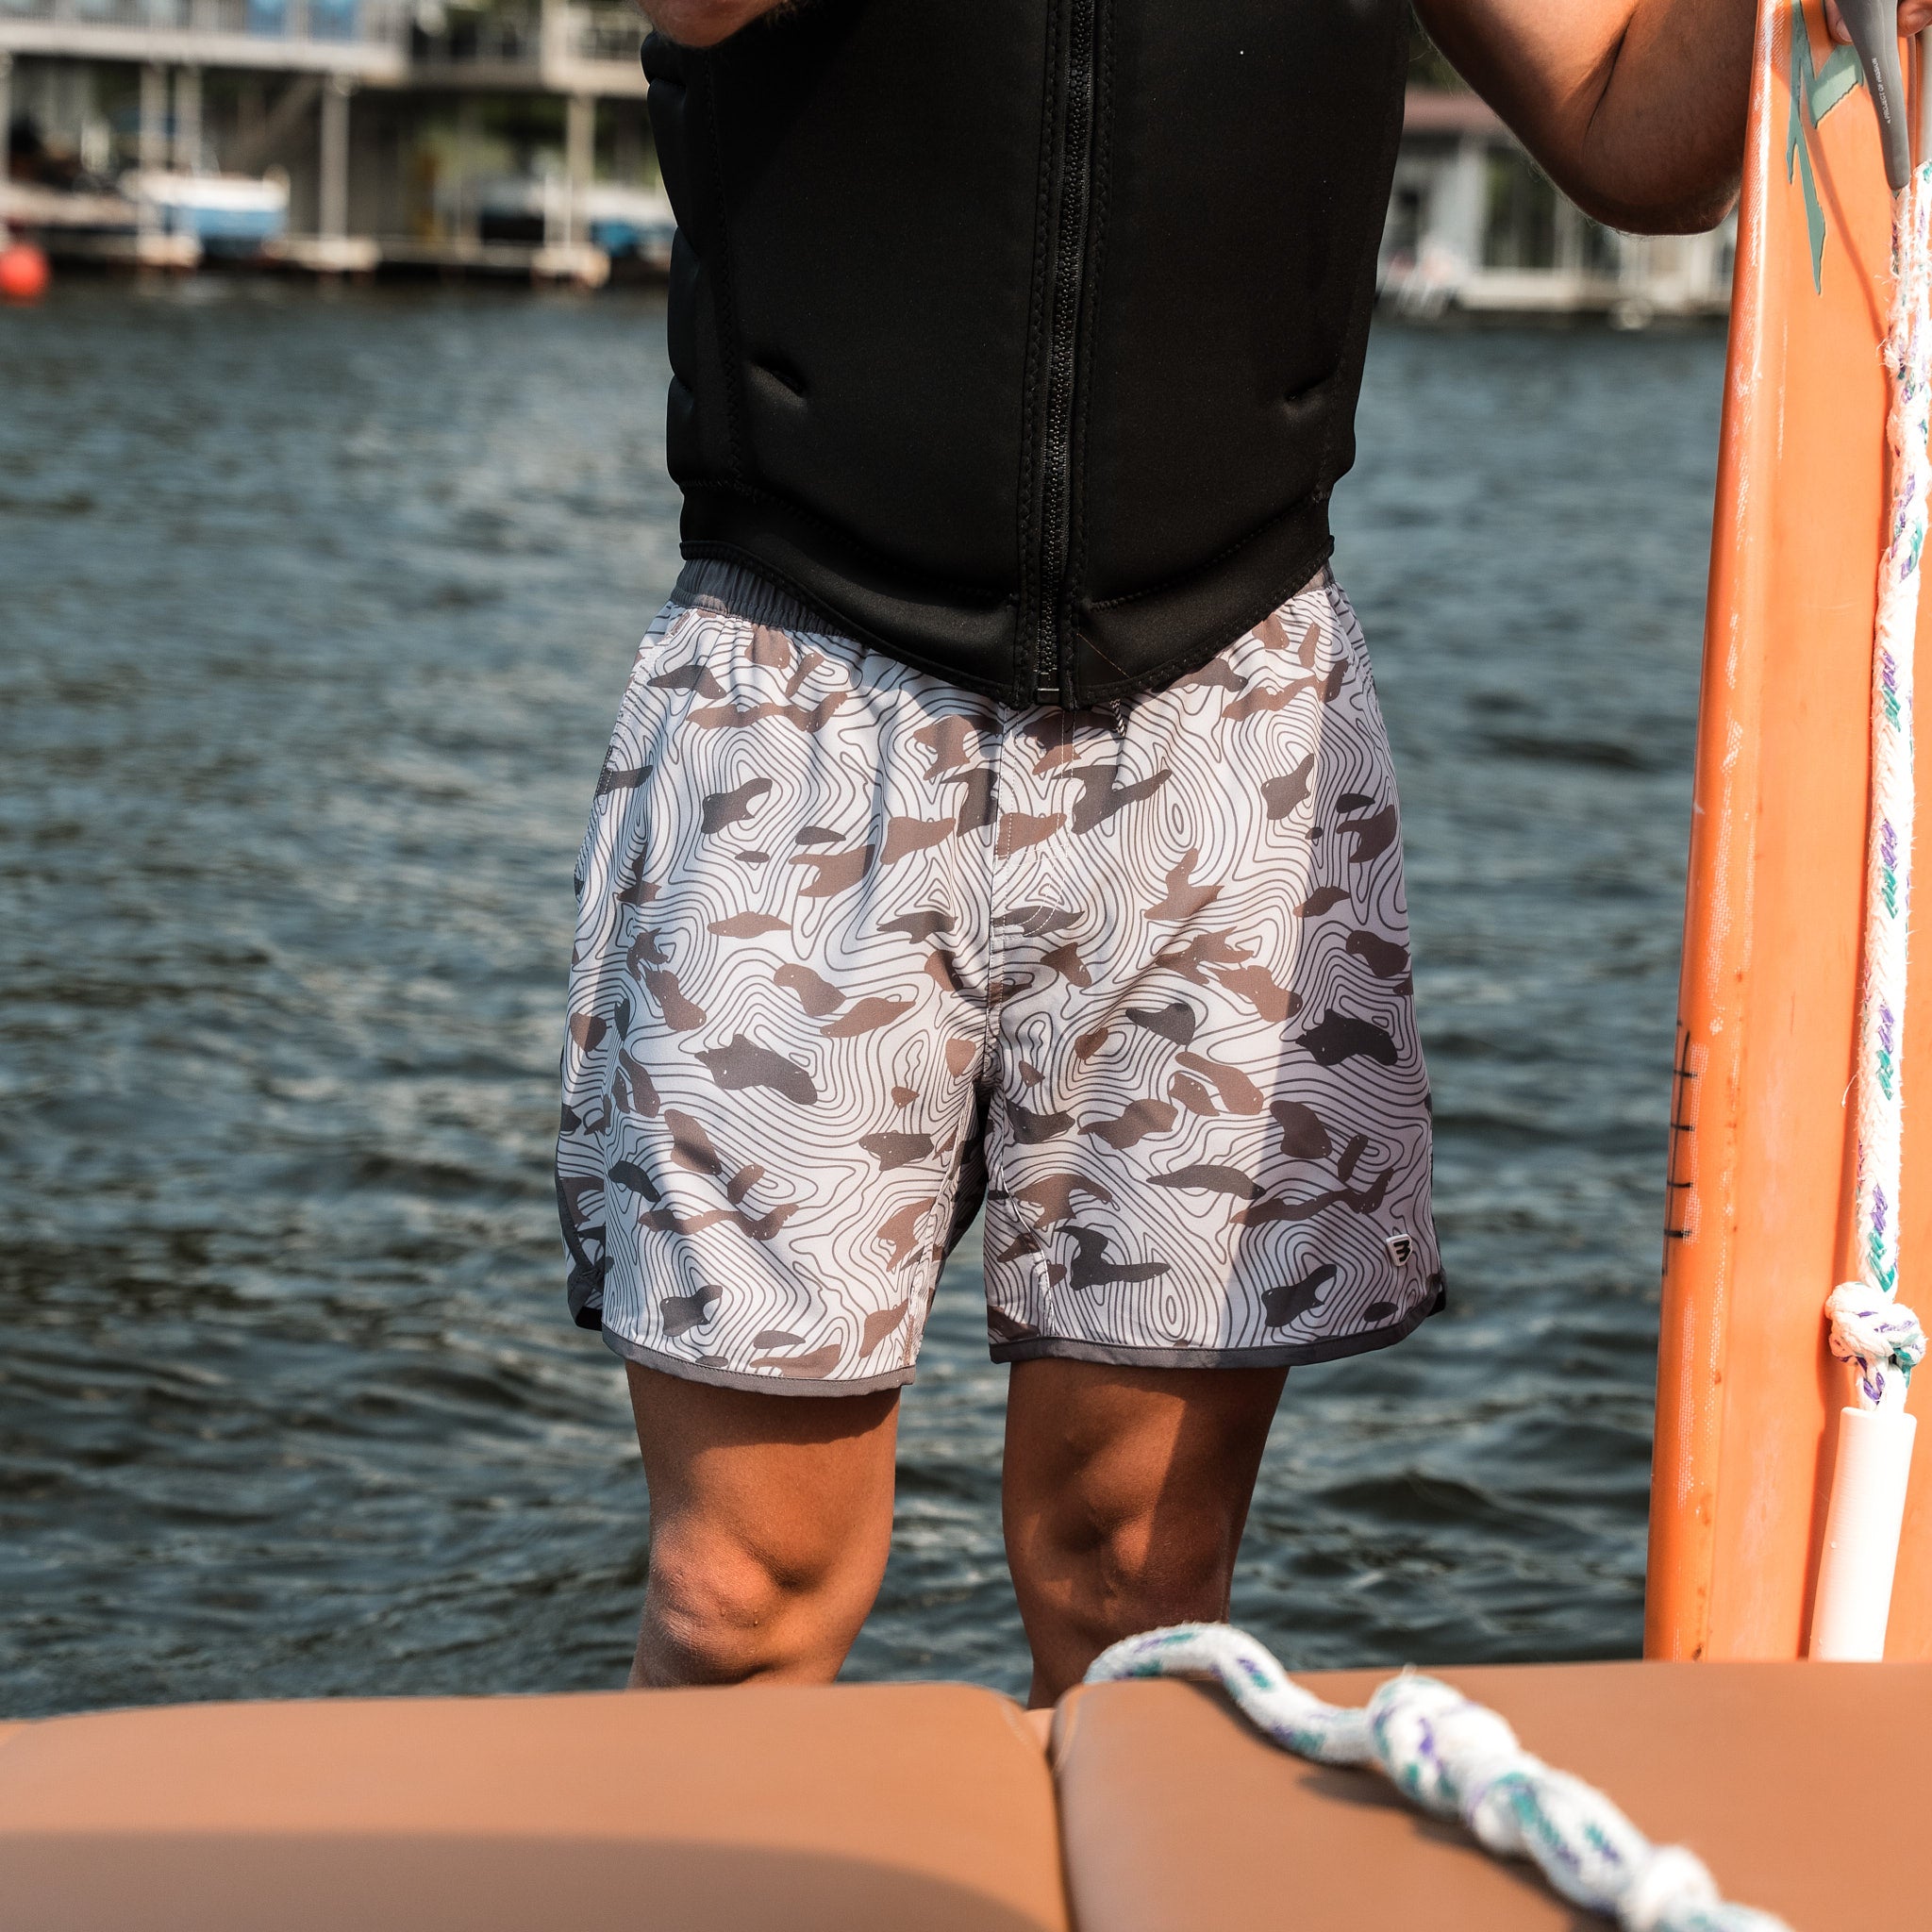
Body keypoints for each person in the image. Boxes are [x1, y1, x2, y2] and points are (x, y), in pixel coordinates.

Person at [558, 0, 1932, 1706]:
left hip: (1225, 717)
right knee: (738, 1599)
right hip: (808, 699)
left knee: (1136, 1573)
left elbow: (1630, 125)